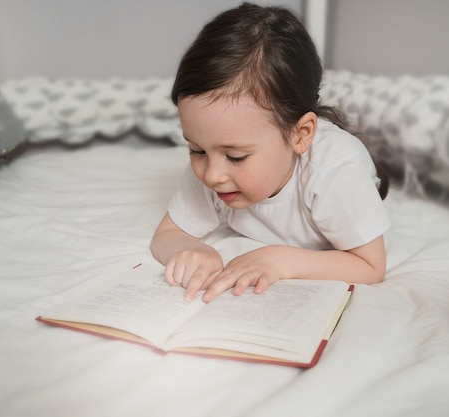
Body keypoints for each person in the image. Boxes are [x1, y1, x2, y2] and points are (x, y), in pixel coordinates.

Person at [150, 2, 391, 303]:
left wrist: (279, 260)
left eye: (236, 156)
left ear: (300, 135)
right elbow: (166, 235)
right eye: (196, 150)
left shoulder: (334, 169)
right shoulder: (215, 155)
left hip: (346, 183)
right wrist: (192, 250)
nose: (211, 175)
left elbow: (370, 266)